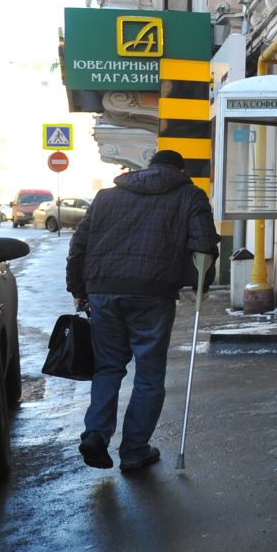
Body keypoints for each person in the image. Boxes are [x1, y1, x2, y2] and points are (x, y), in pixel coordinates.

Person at [65, 149, 220, 472]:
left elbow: (79, 243)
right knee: (149, 375)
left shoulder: (107, 196)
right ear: (180, 170)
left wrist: (78, 289)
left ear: (146, 167)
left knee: (107, 367)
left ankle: (96, 434)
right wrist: (200, 285)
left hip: (103, 290)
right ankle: (134, 450)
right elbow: (204, 244)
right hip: (153, 293)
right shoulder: (190, 195)